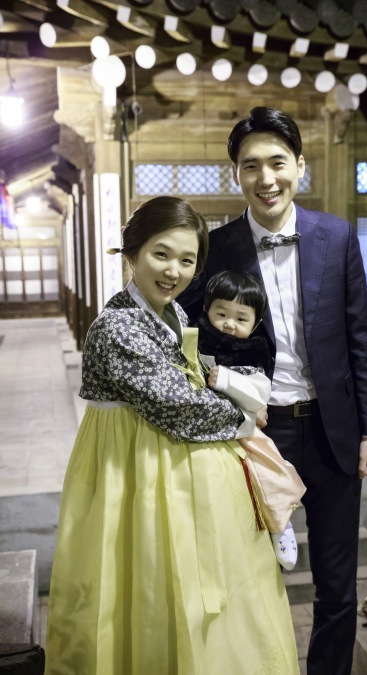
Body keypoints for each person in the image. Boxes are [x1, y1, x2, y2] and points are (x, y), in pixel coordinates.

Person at [44, 196, 300, 675]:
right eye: (161, 254)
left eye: (187, 260)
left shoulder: (174, 315)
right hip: (134, 472)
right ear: (132, 252)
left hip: (171, 469)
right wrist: (246, 414)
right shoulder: (117, 327)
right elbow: (180, 407)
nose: (173, 271)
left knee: (197, 595)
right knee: (145, 590)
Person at [178, 107, 367, 675]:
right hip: (254, 436)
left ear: (299, 164)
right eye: (251, 166)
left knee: (337, 584)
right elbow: (186, 333)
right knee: (247, 578)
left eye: (277, 162)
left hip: (332, 430)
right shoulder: (215, 246)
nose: (266, 178)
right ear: (235, 174)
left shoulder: (337, 236)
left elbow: (360, 336)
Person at [197, 269, 306, 570]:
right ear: (206, 309)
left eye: (241, 319)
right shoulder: (195, 340)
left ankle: (281, 524)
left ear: (256, 324)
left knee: (269, 473)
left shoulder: (254, 351)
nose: (229, 324)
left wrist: (225, 380)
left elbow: (259, 395)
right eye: (221, 314)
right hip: (204, 431)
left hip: (245, 431)